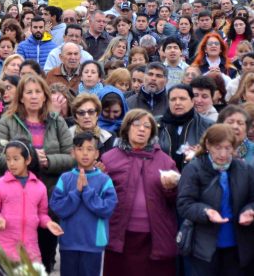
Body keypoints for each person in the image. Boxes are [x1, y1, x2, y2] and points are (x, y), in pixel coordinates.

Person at [0, 73, 73, 272]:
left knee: (43, 261)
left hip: (49, 199)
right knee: (12, 264)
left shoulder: (56, 121)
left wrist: (49, 161)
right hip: (13, 205)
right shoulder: (8, 121)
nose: (34, 96)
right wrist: (25, 162)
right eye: (29, 92)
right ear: (21, 97)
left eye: (38, 92)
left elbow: (72, 157)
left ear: (45, 96)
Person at [102, 109, 179, 276]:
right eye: (136, 124)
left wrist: (171, 188)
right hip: (120, 236)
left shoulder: (165, 160)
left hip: (155, 237)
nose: (142, 129)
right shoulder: (109, 158)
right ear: (126, 128)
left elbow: (177, 200)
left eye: (147, 126)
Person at [177, 124, 254, 275]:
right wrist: (206, 212)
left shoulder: (245, 170)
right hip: (204, 249)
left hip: (238, 247)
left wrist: (250, 210)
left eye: (228, 148)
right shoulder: (194, 169)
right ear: (208, 145)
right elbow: (184, 203)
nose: (223, 154)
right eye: (218, 147)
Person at [0, 140, 64, 264]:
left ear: (27, 160)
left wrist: (48, 223)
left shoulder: (39, 187)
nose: (11, 164)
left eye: (16, 159)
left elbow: (41, 214)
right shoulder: (0, 184)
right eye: (8, 159)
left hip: (29, 250)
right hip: (5, 249)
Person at [50, 132, 118, 276]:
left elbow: (107, 209)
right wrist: (75, 193)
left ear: (97, 153)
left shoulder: (104, 180)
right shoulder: (65, 178)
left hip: (93, 244)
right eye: (80, 149)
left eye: (89, 149)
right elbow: (57, 207)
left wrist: (87, 191)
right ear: (73, 152)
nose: (85, 153)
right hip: (69, 242)